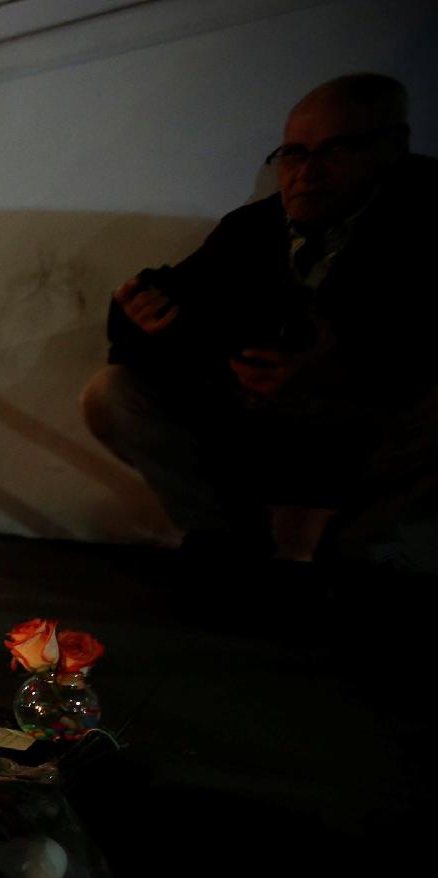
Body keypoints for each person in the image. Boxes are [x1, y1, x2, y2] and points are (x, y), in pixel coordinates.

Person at [83, 74, 438, 568]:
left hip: (376, 432)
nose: (306, 173)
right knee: (112, 392)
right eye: (293, 153)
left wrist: (350, 368)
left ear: (391, 147)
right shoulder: (251, 229)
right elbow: (179, 315)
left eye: (335, 151)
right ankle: (224, 537)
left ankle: (363, 541)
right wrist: (146, 320)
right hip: (263, 429)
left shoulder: (427, 213)